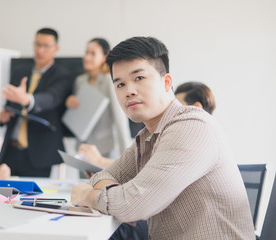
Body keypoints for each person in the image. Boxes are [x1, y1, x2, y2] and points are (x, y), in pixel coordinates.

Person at [71, 37, 255, 239]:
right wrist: (119, 196)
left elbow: (134, 205)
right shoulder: (148, 136)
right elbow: (103, 176)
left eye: (139, 78)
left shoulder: (191, 126)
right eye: (120, 84)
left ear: (167, 82)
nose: (129, 91)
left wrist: (89, 196)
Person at [78, 81, 216, 168]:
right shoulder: (156, 134)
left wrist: (99, 161)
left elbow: (144, 177)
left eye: (178, 106)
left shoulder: (193, 141)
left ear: (197, 108)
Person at [0, 28, 73, 177]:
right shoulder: (20, 72)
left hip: (39, 154)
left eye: (46, 46)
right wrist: (3, 117)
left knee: (33, 198)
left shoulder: (62, 75)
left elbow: (51, 98)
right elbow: (10, 105)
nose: (40, 50)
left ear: (56, 48)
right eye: (37, 45)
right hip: (10, 151)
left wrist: (28, 100)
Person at [65, 38, 131, 157]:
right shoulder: (80, 81)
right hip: (82, 148)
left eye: (93, 53)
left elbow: (119, 118)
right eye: (86, 52)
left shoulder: (109, 82)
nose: (87, 57)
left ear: (105, 56)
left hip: (105, 147)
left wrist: (127, 155)